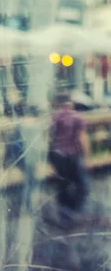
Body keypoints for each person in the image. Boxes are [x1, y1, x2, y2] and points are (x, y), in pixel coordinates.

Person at [49, 94, 90, 225]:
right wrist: (87, 157)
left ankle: (64, 217)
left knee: (63, 185)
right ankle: (72, 212)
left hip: (57, 155)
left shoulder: (55, 117)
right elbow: (82, 138)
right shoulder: (78, 118)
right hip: (72, 156)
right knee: (83, 186)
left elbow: (51, 136)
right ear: (71, 103)